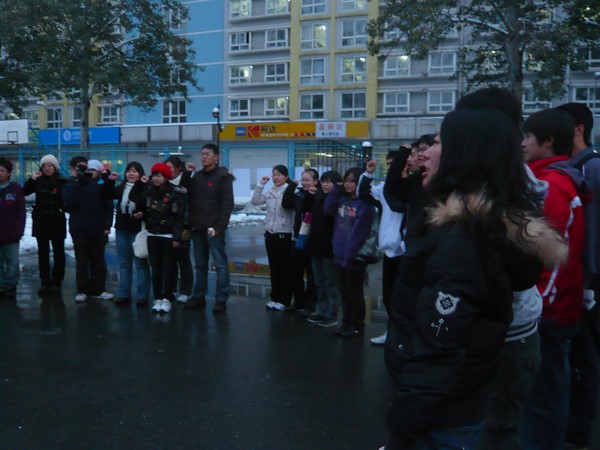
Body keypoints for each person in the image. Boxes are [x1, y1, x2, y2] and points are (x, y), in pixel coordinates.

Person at [380, 109, 567, 450]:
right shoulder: (471, 224)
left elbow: (439, 345)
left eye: (438, 143)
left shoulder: (461, 240)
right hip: (452, 402)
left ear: (464, 154)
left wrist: (404, 429)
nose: (426, 153)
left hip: (440, 414)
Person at [520, 108, 588, 450]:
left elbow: (554, 254)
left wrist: (538, 303)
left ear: (547, 141)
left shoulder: (553, 185)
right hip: (553, 307)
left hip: (550, 311)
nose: (522, 143)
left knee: (543, 395)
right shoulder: (547, 179)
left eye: (528, 136)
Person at [558, 102, 600, 450]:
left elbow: (592, 232)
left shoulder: (592, 167)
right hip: (577, 278)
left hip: (589, 282)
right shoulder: (572, 167)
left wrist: (588, 282)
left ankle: (578, 433)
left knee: (584, 359)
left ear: (578, 130)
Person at [358, 151, 406, 345]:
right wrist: (368, 174)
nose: (391, 167)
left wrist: (404, 242)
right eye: (388, 164)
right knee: (388, 296)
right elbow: (364, 194)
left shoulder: (411, 187)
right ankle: (392, 331)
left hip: (406, 251)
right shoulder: (384, 188)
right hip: (389, 250)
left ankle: (403, 335)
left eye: (395, 163)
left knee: (404, 297)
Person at [324, 166, 376, 338]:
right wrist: (335, 190)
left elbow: (358, 234)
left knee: (355, 292)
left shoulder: (365, 204)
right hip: (339, 254)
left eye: (352, 181)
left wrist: (348, 256)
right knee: (344, 292)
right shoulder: (343, 201)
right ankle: (346, 322)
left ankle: (357, 325)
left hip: (354, 256)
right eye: (346, 180)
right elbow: (328, 209)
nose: (348, 184)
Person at [183, 144, 234, 313]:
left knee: (220, 265)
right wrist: (187, 173)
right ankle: (198, 295)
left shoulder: (223, 176)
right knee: (200, 265)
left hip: (214, 228)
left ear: (216, 157)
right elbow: (186, 192)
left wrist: (220, 227)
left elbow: (227, 203)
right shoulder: (197, 176)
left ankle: (221, 298)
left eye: (207, 154)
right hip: (198, 226)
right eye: (202, 154)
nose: (203, 157)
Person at [62, 159, 116, 303]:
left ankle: (99, 289)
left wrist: (107, 226)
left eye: (92, 170)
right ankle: (82, 290)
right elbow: (68, 205)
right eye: (87, 170)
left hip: (98, 228)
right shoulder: (72, 185)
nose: (89, 173)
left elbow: (109, 203)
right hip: (79, 228)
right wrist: (76, 182)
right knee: (82, 262)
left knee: (98, 261)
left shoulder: (101, 186)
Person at [136, 162, 186, 314]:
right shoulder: (150, 191)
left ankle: (167, 298)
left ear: (165, 177)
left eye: (159, 176)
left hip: (167, 235)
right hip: (152, 234)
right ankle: (157, 297)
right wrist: (141, 185)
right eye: (154, 176)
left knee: (168, 268)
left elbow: (179, 218)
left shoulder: (175, 193)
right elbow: (138, 201)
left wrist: (177, 237)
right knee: (155, 269)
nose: (156, 179)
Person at [251, 165, 295, 311]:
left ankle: (284, 299)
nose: (276, 178)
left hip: (285, 232)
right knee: (274, 267)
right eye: (274, 175)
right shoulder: (271, 191)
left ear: (286, 177)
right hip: (270, 232)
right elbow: (255, 201)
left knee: (284, 267)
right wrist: (260, 185)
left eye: (279, 175)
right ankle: (274, 297)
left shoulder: (291, 191)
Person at [302, 170, 343, 327]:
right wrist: (309, 195)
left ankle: (332, 313)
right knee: (319, 281)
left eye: (329, 182)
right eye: (324, 181)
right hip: (315, 245)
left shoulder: (338, 201)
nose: (325, 185)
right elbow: (306, 210)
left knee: (330, 282)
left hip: (329, 248)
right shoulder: (319, 198)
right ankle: (321, 310)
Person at [23, 154, 67, 295]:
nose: (47, 168)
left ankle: (57, 281)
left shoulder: (62, 181)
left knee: (58, 252)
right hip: (41, 220)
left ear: (55, 167)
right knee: (43, 252)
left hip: (57, 221)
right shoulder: (38, 181)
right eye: (44, 166)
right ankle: (45, 281)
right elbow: (25, 191)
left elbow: (67, 200)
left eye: (50, 165)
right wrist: (32, 179)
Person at [112, 162, 150, 306]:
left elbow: (145, 204)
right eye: (128, 171)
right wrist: (108, 179)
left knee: (140, 264)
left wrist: (142, 214)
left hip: (138, 231)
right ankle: (124, 294)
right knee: (124, 263)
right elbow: (107, 193)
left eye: (134, 171)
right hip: (122, 229)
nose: (131, 174)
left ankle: (142, 295)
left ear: (140, 173)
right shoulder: (121, 188)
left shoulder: (145, 188)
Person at [282, 168, 318, 315]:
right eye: (303, 180)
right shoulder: (298, 195)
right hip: (298, 237)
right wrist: (291, 186)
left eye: (307, 180)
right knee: (295, 271)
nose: (304, 183)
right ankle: (298, 301)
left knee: (311, 273)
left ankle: (311, 303)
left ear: (315, 181)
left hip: (313, 239)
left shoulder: (319, 195)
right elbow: (286, 203)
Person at [165, 156, 193, 303]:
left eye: (171, 168)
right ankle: (171, 289)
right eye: (166, 168)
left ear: (179, 169)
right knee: (170, 260)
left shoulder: (185, 182)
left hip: (184, 226)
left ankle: (185, 290)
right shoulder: (164, 183)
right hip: (168, 227)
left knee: (183, 258)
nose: (168, 171)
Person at [0, 157, 26, 301]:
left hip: (11, 235)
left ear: (9, 173)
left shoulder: (15, 189)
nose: (0, 173)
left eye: (2, 170)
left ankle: (10, 286)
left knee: (12, 263)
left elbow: (21, 212)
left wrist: (18, 232)